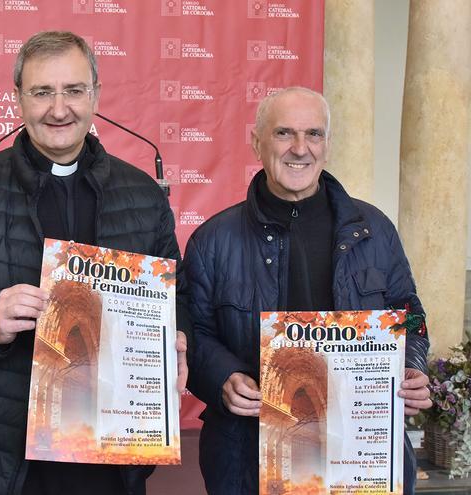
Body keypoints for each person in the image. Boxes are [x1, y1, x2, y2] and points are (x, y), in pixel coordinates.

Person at [0, 31, 189, 495]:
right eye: (42, 92)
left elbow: (180, 299)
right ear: (18, 98)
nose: (60, 109)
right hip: (5, 462)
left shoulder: (142, 194)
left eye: (74, 91)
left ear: (95, 95)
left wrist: (178, 340)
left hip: (115, 456)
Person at [182, 87, 432, 494]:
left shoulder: (376, 229)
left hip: (360, 453)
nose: (300, 148)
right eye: (284, 134)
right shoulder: (212, 240)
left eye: (313, 134)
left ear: (327, 145)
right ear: (256, 141)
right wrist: (222, 375)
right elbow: (194, 331)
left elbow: (410, 311)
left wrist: (415, 363)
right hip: (247, 456)